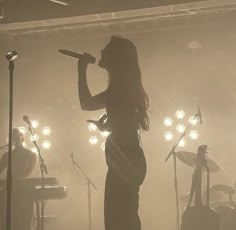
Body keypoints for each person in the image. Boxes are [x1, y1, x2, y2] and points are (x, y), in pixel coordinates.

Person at [77, 36, 150, 230]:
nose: (101, 52)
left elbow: (87, 103)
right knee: (124, 218)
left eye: (106, 50)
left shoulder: (120, 87)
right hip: (127, 159)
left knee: (119, 220)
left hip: (124, 161)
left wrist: (81, 69)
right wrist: (107, 127)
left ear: (117, 58)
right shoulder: (124, 87)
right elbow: (125, 123)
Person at [0, 128, 37, 230]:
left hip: (25, 192)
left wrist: (15, 178)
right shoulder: (6, 155)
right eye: (13, 137)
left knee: (23, 221)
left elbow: (29, 172)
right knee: (7, 219)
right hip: (9, 192)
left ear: (22, 138)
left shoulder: (31, 154)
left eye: (17, 136)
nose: (15, 138)